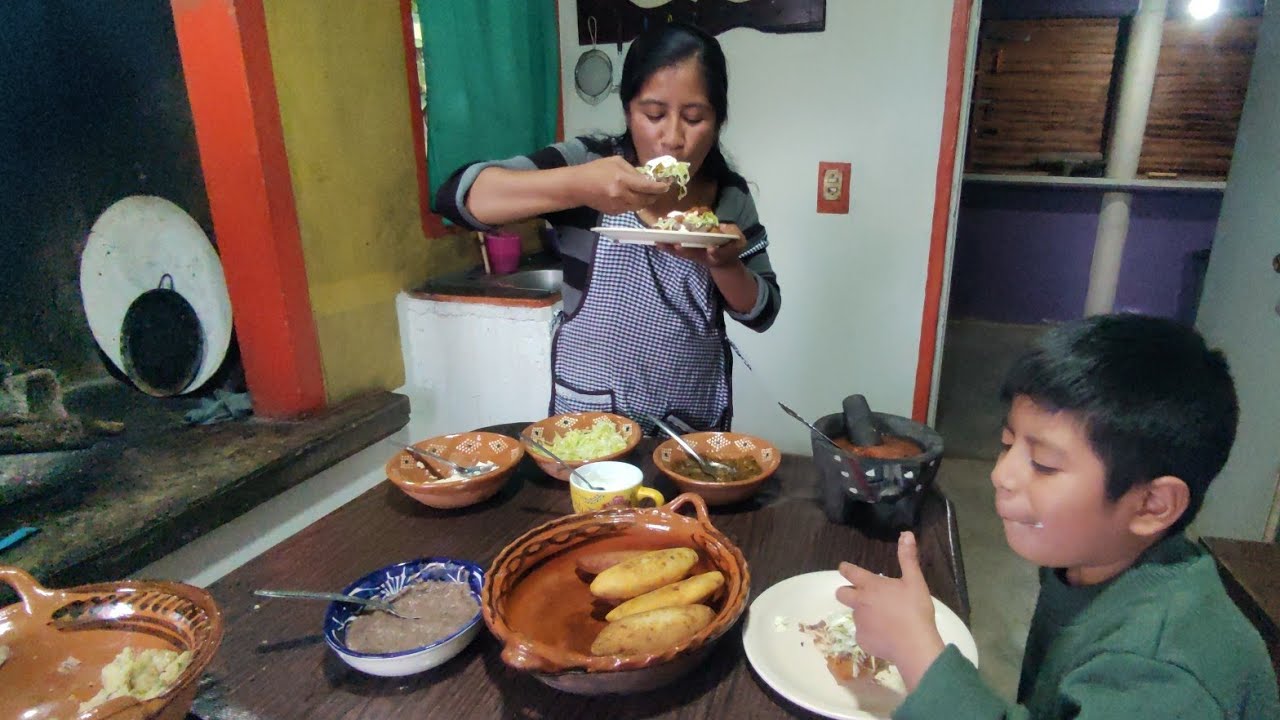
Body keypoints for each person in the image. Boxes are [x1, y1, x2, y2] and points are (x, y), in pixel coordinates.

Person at [835, 314, 1279, 719]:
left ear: (1152, 505)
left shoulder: (1163, 673)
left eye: (1044, 464)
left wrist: (916, 651)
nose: (1001, 474)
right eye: (1009, 445)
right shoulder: (1091, 561)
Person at [435, 23, 780, 433]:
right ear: (627, 111)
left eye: (694, 117)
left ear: (718, 120)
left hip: (688, 427)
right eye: (653, 114)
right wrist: (579, 185)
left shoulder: (729, 197)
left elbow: (763, 311)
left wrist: (724, 265)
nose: (672, 138)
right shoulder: (589, 164)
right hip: (590, 420)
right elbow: (459, 198)